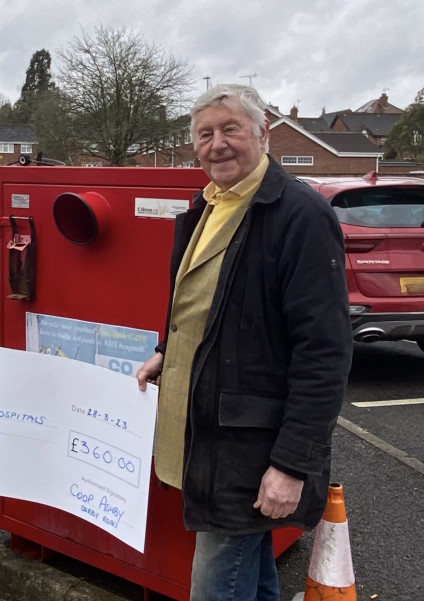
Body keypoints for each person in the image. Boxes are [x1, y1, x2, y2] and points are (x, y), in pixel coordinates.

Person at [135, 84, 352, 601]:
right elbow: (203, 305)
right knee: (250, 576)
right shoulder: (204, 208)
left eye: (231, 129)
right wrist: (169, 350)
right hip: (210, 438)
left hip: (251, 450)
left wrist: (292, 465)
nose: (217, 144)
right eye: (205, 134)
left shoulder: (299, 216)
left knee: (216, 582)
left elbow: (324, 352)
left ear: (263, 133)